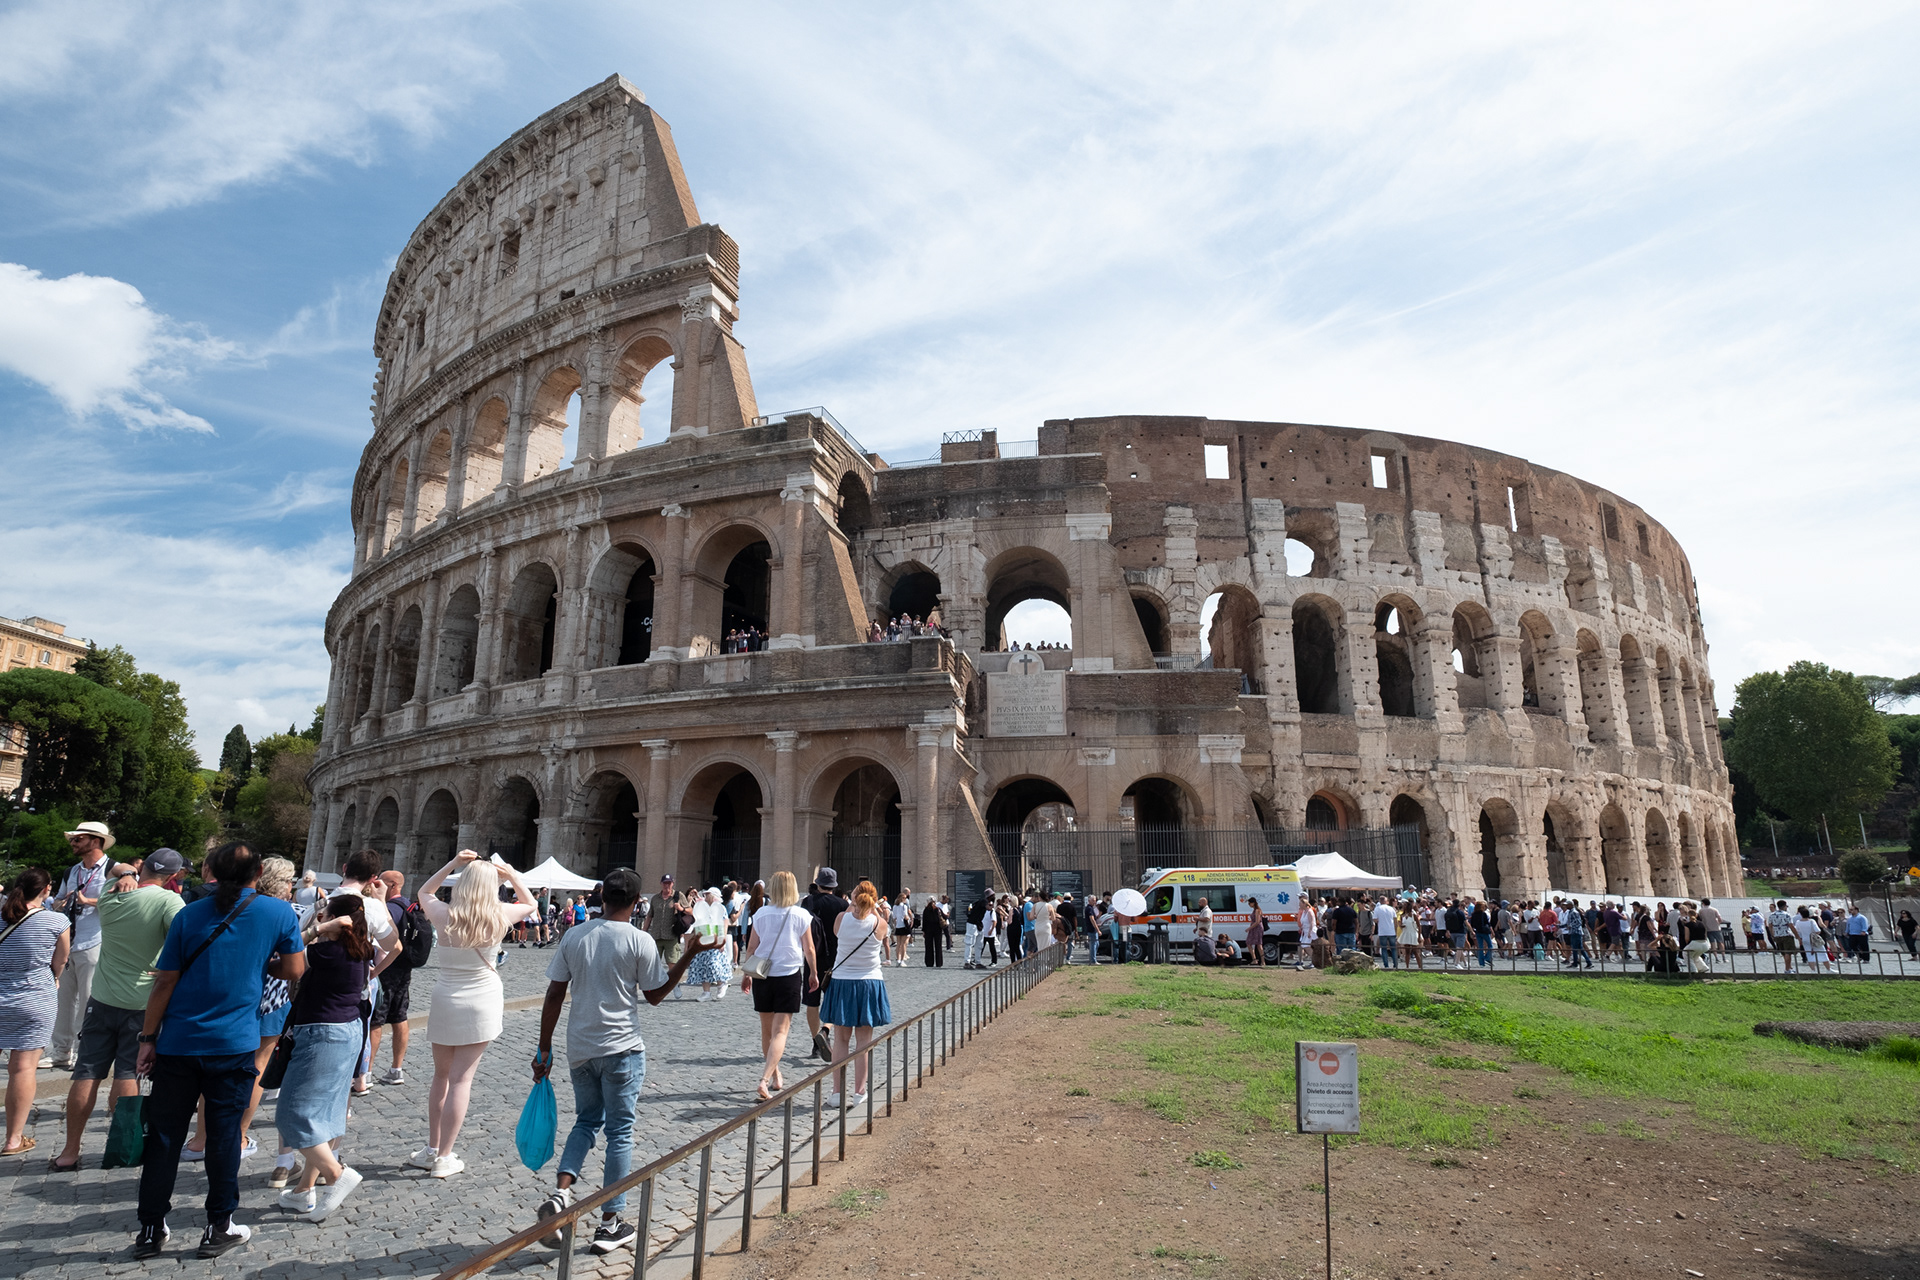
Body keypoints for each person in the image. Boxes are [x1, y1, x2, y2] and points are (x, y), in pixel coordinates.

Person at [531, 868, 717, 1256]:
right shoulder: (639, 940)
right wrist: (689, 955)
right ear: (635, 904)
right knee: (620, 1134)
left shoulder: (574, 935)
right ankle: (610, 1223)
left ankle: (561, 1194)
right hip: (622, 1048)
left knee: (585, 1121)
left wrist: (543, 1049)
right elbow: (655, 994)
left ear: (602, 900)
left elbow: (553, 995)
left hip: (580, 1047)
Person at [133, 842, 306, 1261]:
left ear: (211, 870)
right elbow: (295, 970)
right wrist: (262, 964)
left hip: (178, 1042)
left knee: (164, 1137)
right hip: (233, 1042)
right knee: (225, 1136)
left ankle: (151, 1228)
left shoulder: (189, 914)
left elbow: (164, 981)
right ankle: (219, 1224)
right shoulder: (278, 912)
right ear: (259, 871)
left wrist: (147, 1038)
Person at [50, 848, 184, 1171]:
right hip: (142, 1001)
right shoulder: (169, 903)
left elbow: (114, 870)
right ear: (173, 877)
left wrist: (125, 873)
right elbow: (183, 942)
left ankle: (69, 1151)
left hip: (102, 997)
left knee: (86, 1073)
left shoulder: (112, 896)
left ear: (145, 868)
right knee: (128, 1074)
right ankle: (124, 1147)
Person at [410, 850, 537, 1178]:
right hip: (482, 998)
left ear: (462, 884)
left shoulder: (445, 914)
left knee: (440, 1076)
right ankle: (445, 1156)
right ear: (491, 887)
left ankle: (432, 1148)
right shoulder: (499, 915)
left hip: (446, 996)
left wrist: (452, 864)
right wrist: (510, 874)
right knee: (461, 1079)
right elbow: (532, 904)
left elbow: (424, 891)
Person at [274, 891, 376, 1222]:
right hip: (348, 1032)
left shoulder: (325, 952)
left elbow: (279, 958)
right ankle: (304, 1190)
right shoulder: (360, 950)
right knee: (327, 1114)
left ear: (334, 918)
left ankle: (335, 1174)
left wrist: (317, 930)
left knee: (292, 1115)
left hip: (322, 1034)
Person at [2, 868, 72, 1156]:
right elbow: (61, 960)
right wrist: (53, 977)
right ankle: (13, 1140)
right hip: (33, 998)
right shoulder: (56, 920)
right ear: (47, 890)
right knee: (23, 1068)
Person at [739, 870, 818, 1100]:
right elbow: (809, 949)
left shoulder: (761, 914)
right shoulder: (801, 915)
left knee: (767, 1032)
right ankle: (765, 1079)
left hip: (762, 976)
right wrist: (813, 972)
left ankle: (775, 1075)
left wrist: (746, 974)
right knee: (780, 1031)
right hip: (788, 975)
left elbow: (751, 948)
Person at [47, 820, 113, 1070]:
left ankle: (82, 1051)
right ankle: (61, 1051)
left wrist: (89, 900)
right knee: (63, 999)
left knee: (88, 999)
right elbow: (59, 899)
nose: (73, 843)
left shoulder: (114, 869)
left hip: (95, 940)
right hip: (69, 940)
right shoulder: (72, 871)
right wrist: (59, 904)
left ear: (95, 841)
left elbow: (123, 902)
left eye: (78, 839)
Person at [821, 880, 891, 1109]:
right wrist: (873, 910)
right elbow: (880, 930)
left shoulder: (841, 919)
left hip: (843, 982)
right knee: (864, 1042)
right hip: (869, 982)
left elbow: (839, 928)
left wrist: (853, 905)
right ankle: (860, 1092)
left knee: (841, 1039)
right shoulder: (880, 923)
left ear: (853, 897)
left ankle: (836, 1093)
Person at [369, 869, 419, 1084]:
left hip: (386, 969)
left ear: (392, 885)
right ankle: (396, 1069)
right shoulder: (408, 905)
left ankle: (366, 1071)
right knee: (400, 1016)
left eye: (380, 883)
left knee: (375, 1021)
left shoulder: (390, 909)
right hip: (403, 969)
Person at [801, 870, 849, 1062]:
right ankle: (825, 1030)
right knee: (834, 1000)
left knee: (812, 1002)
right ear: (834, 886)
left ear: (818, 883)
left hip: (812, 956)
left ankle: (815, 1043)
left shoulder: (807, 902)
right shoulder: (842, 905)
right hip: (835, 959)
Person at [689, 888, 733, 1001]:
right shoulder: (704, 907)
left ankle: (721, 985)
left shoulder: (720, 908)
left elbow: (724, 924)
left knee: (714, 964)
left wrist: (721, 940)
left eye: (708, 894)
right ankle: (706, 992)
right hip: (703, 940)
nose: (705, 896)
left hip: (715, 940)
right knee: (702, 965)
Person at [646, 874, 680, 960]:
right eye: (665, 883)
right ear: (661, 883)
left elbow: (690, 911)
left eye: (669, 883)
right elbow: (649, 916)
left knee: (672, 963)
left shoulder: (678, 896)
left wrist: (681, 908)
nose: (667, 885)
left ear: (673, 883)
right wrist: (643, 932)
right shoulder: (655, 898)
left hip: (671, 936)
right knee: (653, 963)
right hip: (656, 936)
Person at [964, 894, 992, 969]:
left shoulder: (980, 902)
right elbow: (987, 907)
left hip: (978, 923)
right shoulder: (983, 901)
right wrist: (991, 906)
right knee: (969, 943)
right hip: (972, 923)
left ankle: (978, 961)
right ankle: (967, 962)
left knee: (979, 944)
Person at [1369, 896, 1397, 969]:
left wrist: (1379, 921)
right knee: (1393, 948)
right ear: (1386, 901)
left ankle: (1386, 965)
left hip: (1382, 931)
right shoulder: (1391, 908)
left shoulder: (1377, 909)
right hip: (1391, 931)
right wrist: (1395, 929)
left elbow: (1374, 919)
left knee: (1384, 948)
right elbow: (1395, 919)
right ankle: (1395, 964)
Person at [890, 891, 914, 967]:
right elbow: (905, 916)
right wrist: (910, 919)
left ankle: (898, 959)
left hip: (898, 926)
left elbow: (894, 917)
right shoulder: (904, 906)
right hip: (904, 926)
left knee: (898, 944)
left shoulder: (894, 906)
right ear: (903, 899)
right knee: (903, 944)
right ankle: (902, 960)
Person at [921, 896, 947, 967]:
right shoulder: (938, 909)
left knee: (928, 946)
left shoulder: (926, 910)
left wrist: (924, 931)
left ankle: (929, 962)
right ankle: (939, 963)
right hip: (938, 929)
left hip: (928, 930)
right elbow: (945, 917)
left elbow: (924, 922)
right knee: (938, 947)